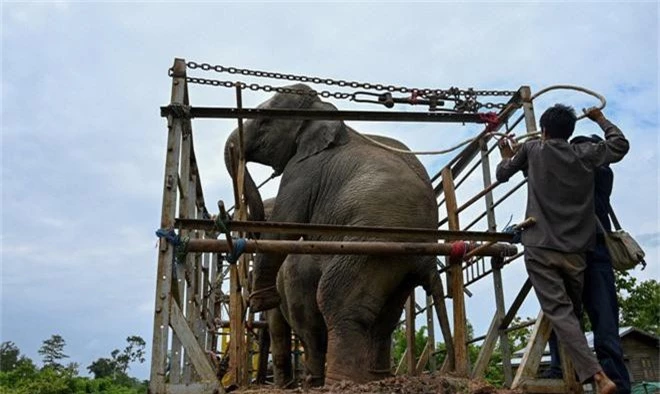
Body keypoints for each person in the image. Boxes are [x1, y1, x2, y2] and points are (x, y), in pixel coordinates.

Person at [495, 104, 629, 394]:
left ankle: (598, 377)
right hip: (578, 252)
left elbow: (502, 173)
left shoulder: (533, 150)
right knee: (574, 315)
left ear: (543, 130)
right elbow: (620, 144)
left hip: (541, 248)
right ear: (570, 133)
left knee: (561, 314)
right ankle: (586, 377)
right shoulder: (587, 157)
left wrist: (508, 155)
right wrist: (600, 118)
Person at [542, 133, 631, 393]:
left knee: (566, 316)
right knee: (596, 322)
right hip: (586, 255)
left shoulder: (598, 173)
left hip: (575, 253)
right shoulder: (600, 173)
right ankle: (568, 371)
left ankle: (563, 370)